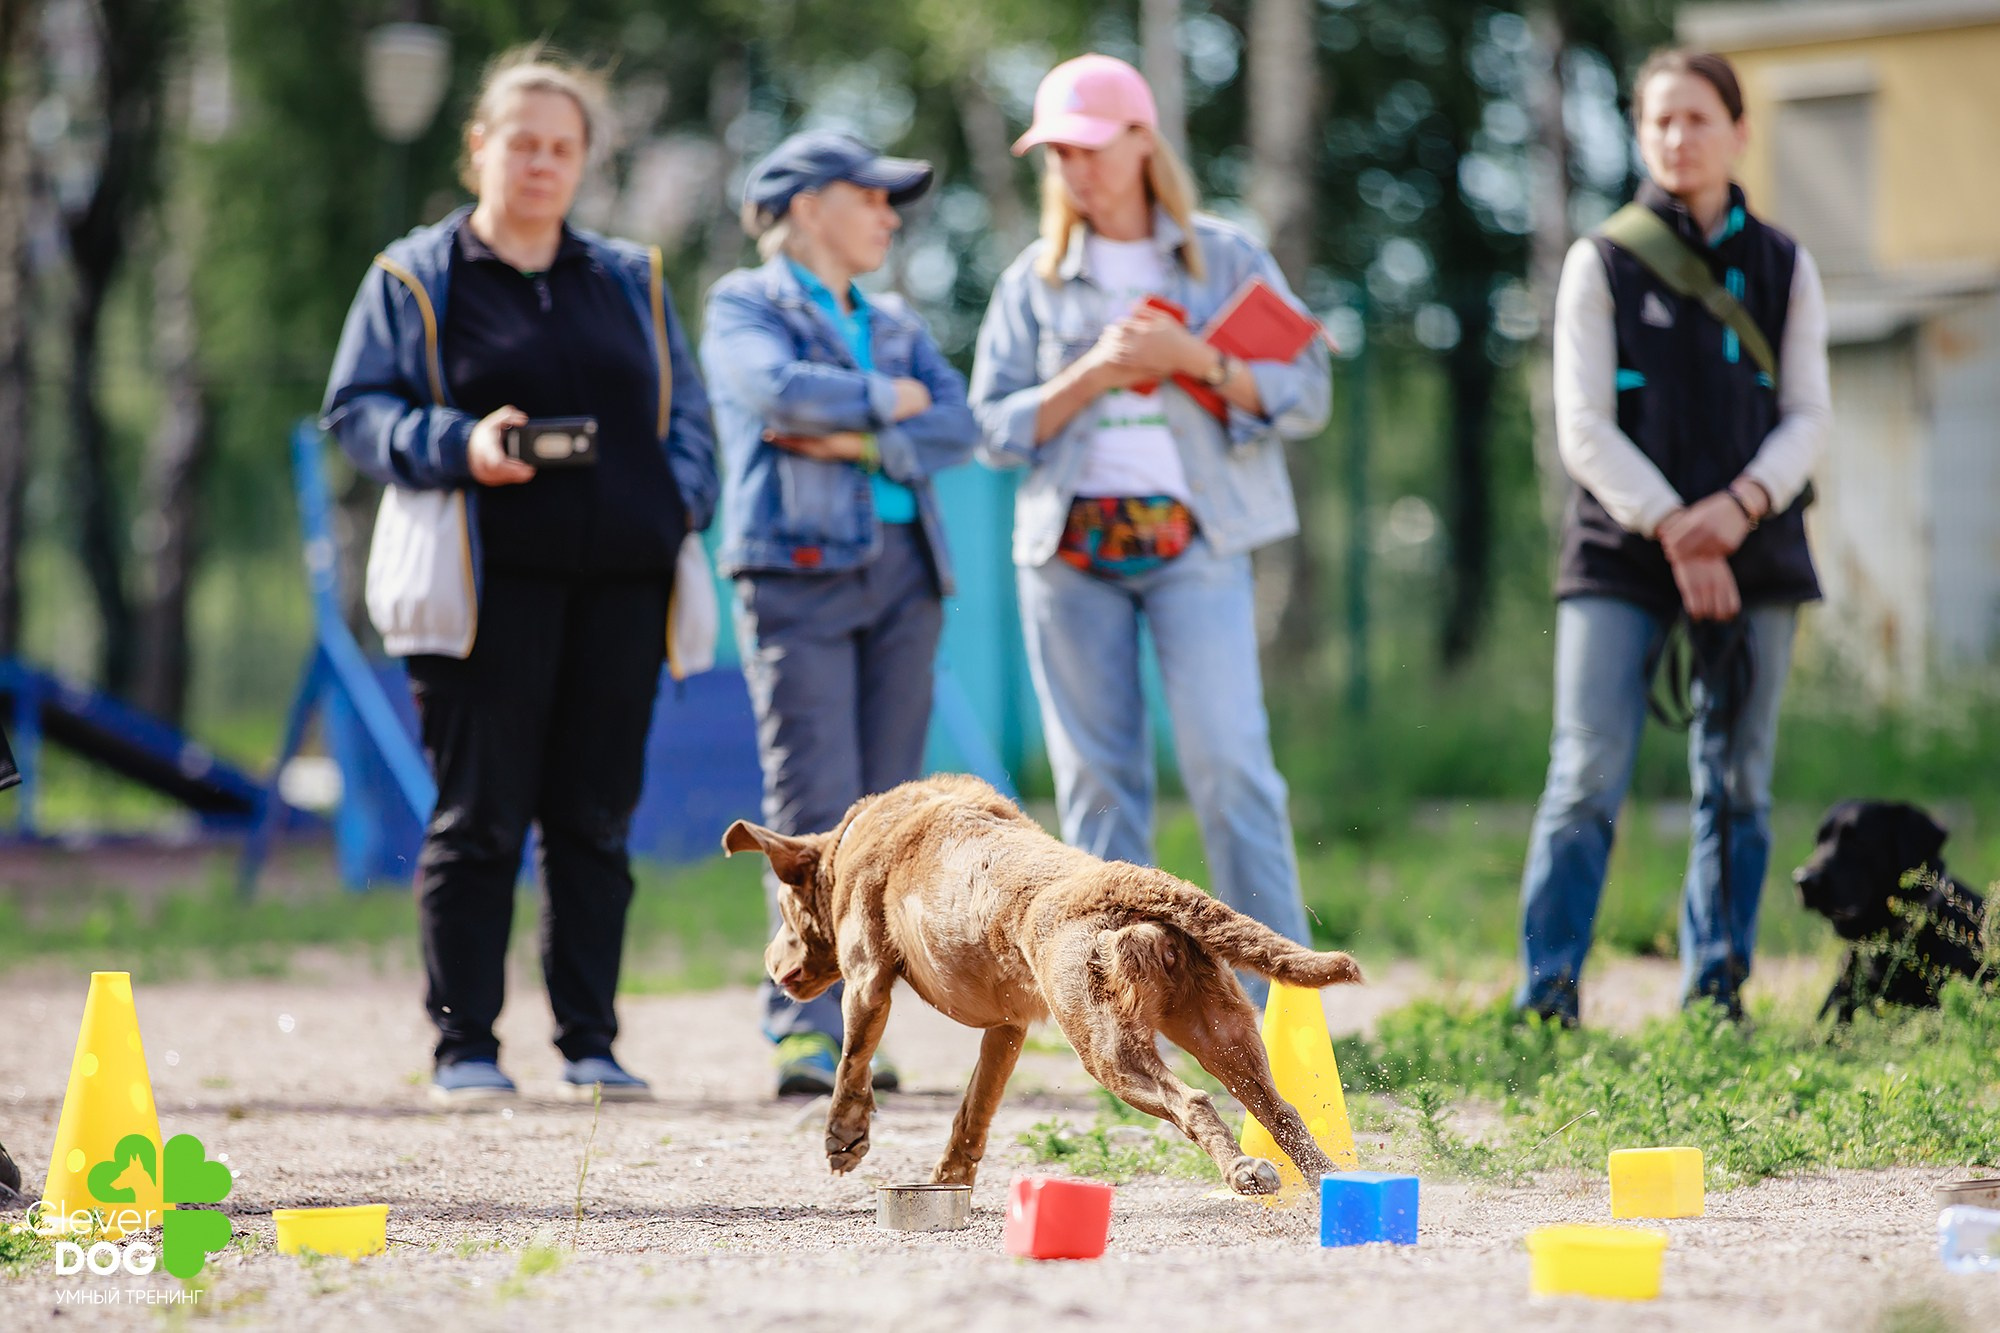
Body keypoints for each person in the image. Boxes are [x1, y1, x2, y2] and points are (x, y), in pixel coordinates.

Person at [323, 49, 719, 1104]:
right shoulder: (414, 276)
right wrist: (455, 443)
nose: (541, 163)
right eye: (522, 143)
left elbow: (690, 424)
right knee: (480, 819)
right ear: (478, 148)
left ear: (583, 160)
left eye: (562, 146)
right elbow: (356, 410)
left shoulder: (630, 276)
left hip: (624, 591)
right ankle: (466, 1048)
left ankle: (591, 1041)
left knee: (593, 822)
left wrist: (680, 502)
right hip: (481, 589)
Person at [967, 54, 1331, 1002]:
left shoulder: (1227, 257)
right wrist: (1088, 374)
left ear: (1142, 141)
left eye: (1090, 147)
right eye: (1057, 153)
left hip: (1196, 547)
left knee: (1230, 768)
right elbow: (994, 426)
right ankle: (1118, 1006)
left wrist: (1195, 359)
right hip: (1069, 558)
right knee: (1097, 790)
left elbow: (1306, 390)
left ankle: (1280, 1003)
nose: (1074, 168)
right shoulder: (1033, 281)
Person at [1514, 48, 1830, 1025]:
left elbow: (1807, 414)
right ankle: (1546, 1000)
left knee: (1735, 782)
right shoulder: (1599, 258)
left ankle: (1715, 995)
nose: (1676, 137)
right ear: (1639, 132)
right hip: (1617, 554)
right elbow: (1581, 430)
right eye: (1657, 120)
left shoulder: (1782, 263)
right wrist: (1675, 531)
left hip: (1757, 546)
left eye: (1696, 118)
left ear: (1737, 131)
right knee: (1584, 774)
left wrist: (1732, 511)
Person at [700, 131, 980, 1095]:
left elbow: (960, 423)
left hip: (906, 574)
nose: (890, 217)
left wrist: (862, 442)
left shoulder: (895, 318)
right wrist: (889, 402)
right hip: (796, 576)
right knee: (812, 804)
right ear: (808, 205)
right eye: (872, 197)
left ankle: (860, 1021)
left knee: (889, 816)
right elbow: (774, 391)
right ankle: (800, 1022)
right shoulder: (744, 302)